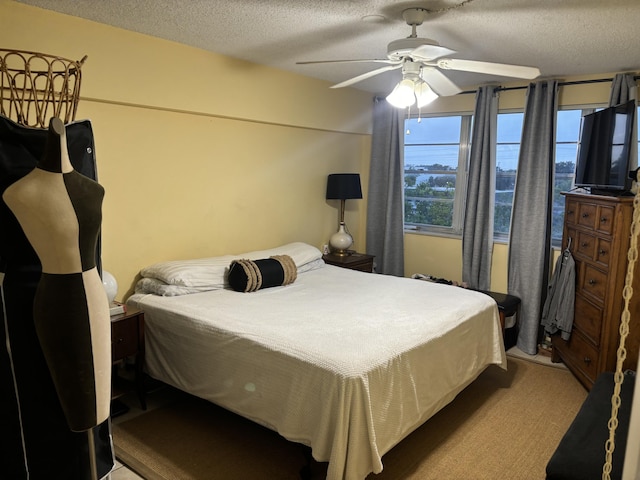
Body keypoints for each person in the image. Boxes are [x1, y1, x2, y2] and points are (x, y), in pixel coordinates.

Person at [2, 117, 110, 432]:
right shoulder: (19, 192)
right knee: (73, 407)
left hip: (94, 295)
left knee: (97, 405)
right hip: (56, 301)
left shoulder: (94, 190)